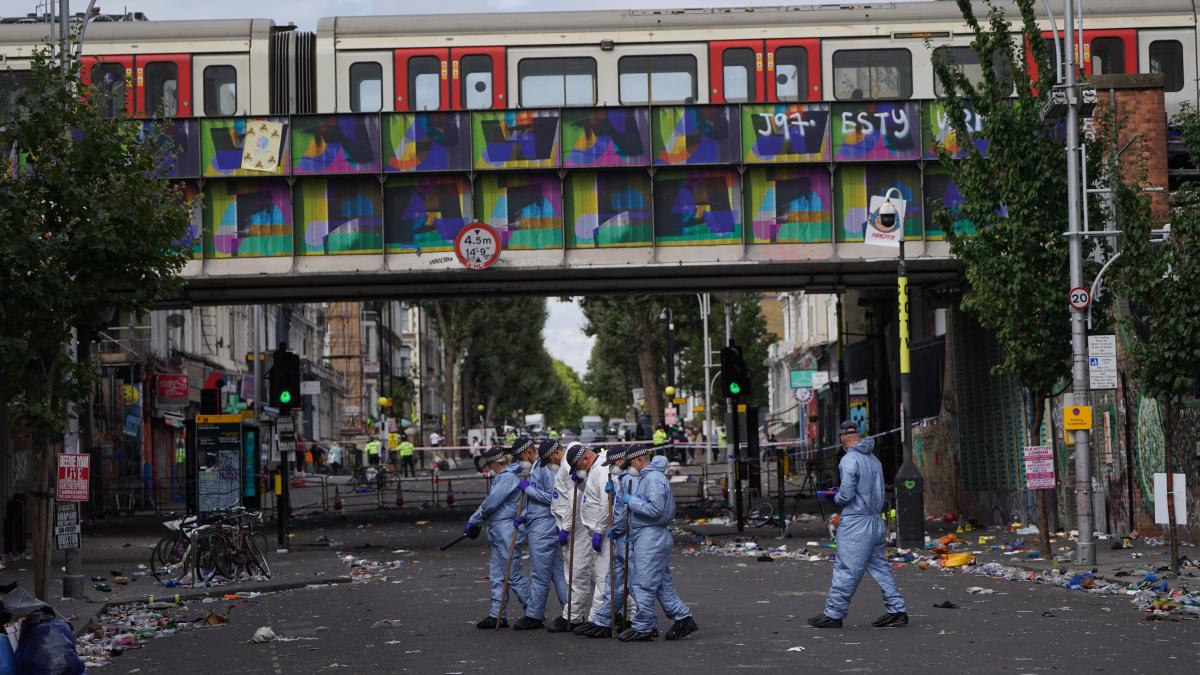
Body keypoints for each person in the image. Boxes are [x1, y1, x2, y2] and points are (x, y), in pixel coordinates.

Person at [808, 420, 908, 629]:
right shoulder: (874, 459)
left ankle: (833, 614)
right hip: (875, 521)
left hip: (856, 522)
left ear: (843, 439)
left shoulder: (849, 460)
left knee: (846, 568)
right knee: (880, 566)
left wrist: (833, 496)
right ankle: (897, 610)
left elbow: (846, 494)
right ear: (859, 436)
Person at [620, 446, 697, 641]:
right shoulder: (648, 478)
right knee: (662, 584)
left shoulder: (652, 479)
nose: (631, 469)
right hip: (649, 536)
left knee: (642, 584)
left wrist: (631, 501)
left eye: (631, 464)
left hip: (651, 537)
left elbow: (654, 509)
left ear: (638, 461)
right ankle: (682, 617)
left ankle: (644, 626)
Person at [464, 444, 532, 629]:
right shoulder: (505, 477)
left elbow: (490, 503)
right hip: (499, 530)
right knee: (497, 575)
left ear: (494, 463)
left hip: (506, 529)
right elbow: (490, 504)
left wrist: (474, 520)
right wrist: (475, 520)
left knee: (513, 574)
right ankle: (497, 614)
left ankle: (533, 612)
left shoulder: (507, 478)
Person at [577, 444, 635, 638]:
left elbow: (607, 506)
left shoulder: (606, 473)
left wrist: (601, 531)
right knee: (617, 578)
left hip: (615, 533)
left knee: (611, 577)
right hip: (613, 532)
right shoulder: (606, 472)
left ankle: (610, 619)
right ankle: (620, 617)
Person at [515, 438, 569, 631]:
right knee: (558, 573)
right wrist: (523, 515)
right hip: (544, 524)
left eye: (522, 455)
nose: (522, 459)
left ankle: (535, 614)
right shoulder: (539, 466)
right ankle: (570, 612)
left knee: (539, 574)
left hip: (543, 527)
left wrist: (528, 489)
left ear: (528, 451)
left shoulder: (547, 468)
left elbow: (552, 497)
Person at [549, 442, 597, 632]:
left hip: (578, 528)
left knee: (577, 572)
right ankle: (615, 612)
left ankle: (574, 616)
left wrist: (566, 528)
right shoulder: (572, 464)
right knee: (596, 573)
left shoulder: (571, 466)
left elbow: (573, 501)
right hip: (576, 526)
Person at [574, 443, 615, 637]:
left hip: (604, 532)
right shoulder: (596, 469)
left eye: (579, 468)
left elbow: (604, 503)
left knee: (603, 576)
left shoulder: (600, 470)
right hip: (600, 530)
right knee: (607, 576)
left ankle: (599, 619)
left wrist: (599, 530)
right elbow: (592, 495)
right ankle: (617, 616)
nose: (579, 472)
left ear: (585, 460)